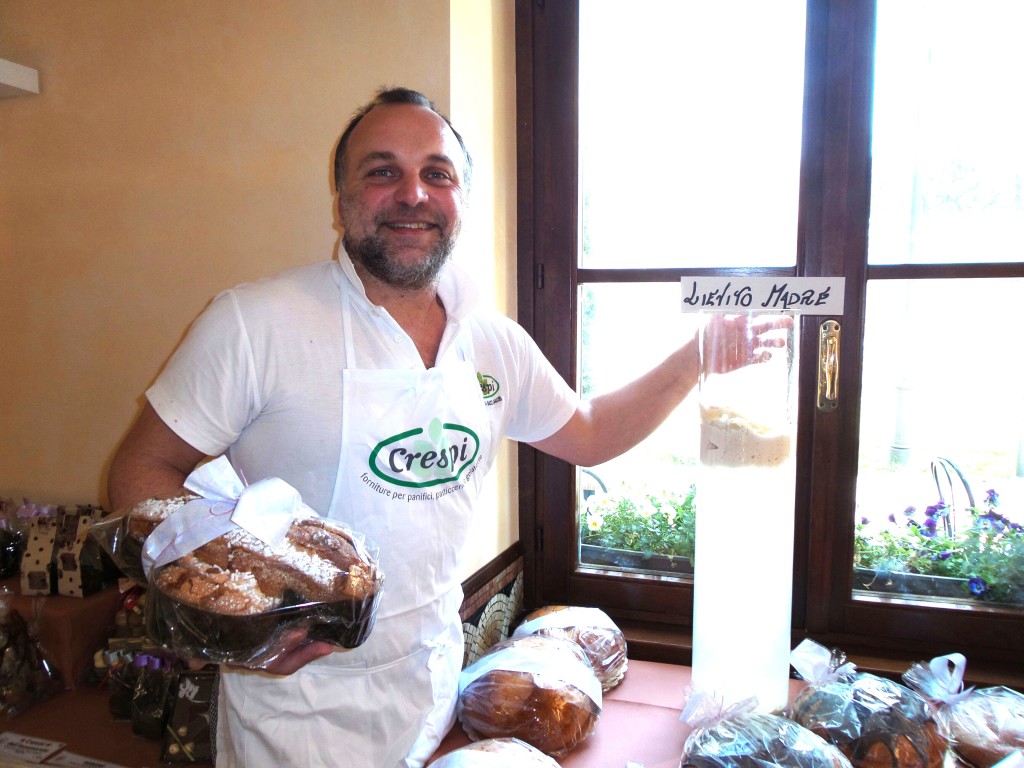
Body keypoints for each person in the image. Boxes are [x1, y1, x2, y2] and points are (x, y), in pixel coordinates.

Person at [107, 86, 784, 767]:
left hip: (429, 692)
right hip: (292, 716)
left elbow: (589, 432)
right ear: (340, 201)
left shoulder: (492, 341)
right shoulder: (254, 322)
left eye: (437, 173)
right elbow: (140, 470)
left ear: (460, 200)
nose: (413, 194)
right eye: (382, 171)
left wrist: (696, 357)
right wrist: (233, 626)